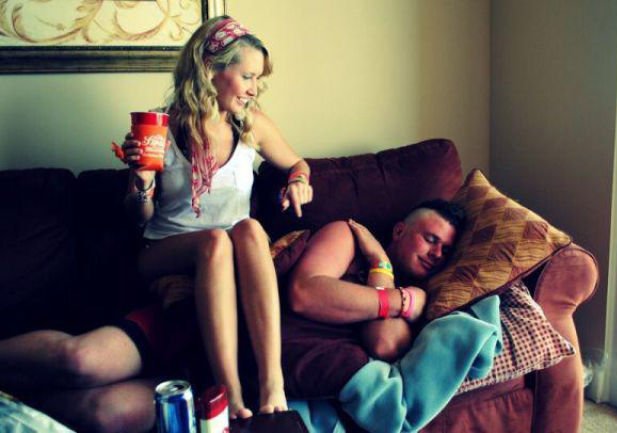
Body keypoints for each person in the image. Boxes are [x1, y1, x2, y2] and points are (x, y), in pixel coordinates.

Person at [0, 15, 312, 432]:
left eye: (258, 79)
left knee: (248, 230)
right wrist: (141, 180)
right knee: (215, 241)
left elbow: (297, 163)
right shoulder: (160, 128)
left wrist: (299, 181)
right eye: (247, 76)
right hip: (165, 253)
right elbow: (138, 217)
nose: (255, 88)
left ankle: (273, 388)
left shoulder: (250, 122)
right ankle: (231, 394)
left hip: (229, 267)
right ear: (211, 70)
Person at [281, 199, 465, 399]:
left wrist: (380, 265)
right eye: (430, 239)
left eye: (445, 250)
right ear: (399, 231)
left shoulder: (420, 293)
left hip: (330, 380)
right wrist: (402, 301)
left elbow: (385, 344)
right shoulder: (348, 235)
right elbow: (303, 294)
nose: (437, 254)